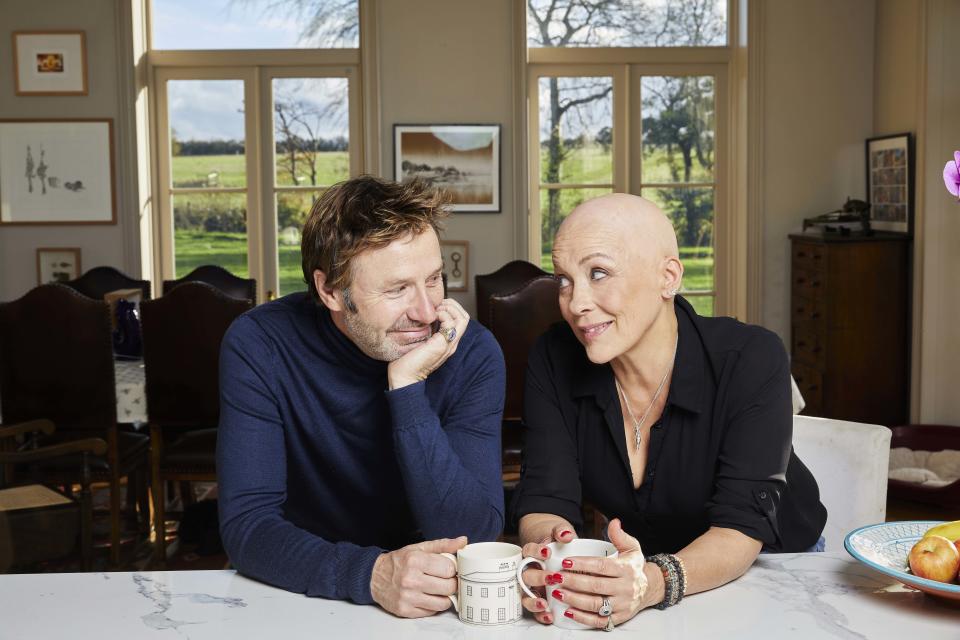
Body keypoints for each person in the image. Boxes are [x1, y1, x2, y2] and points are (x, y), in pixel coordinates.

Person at [512, 193, 826, 630]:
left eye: (598, 273)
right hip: (640, 577)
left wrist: (650, 583)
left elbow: (741, 529)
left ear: (668, 277)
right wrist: (554, 552)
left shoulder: (751, 357)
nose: (575, 302)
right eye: (563, 280)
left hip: (772, 568)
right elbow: (545, 498)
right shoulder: (554, 356)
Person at [217, 175, 506, 618]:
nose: (427, 312)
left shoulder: (471, 352)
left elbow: (472, 535)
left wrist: (407, 387)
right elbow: (248, 527)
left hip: (434, 606)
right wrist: (371, 574)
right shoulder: (261, 344)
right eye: (396, 290)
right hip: (301, 594)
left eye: (433, 280)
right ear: (330, 290)